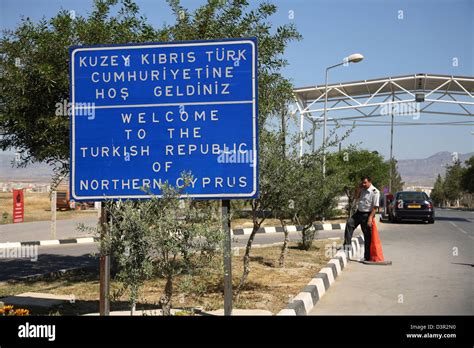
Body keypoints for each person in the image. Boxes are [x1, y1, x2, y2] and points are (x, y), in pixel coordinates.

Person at [343, 176, 380, 261]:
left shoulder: (375, 192)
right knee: (349, 223)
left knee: (367, 236)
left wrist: (370, 218)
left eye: (365, 183)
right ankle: (347, 247)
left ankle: (367, 257)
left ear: (369, 182)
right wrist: (358, 189)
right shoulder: (362, 189)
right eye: (362, 182)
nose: (363, 184)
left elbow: (375, 207)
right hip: (359, 213)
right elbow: (356, 197)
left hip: (367, 215)